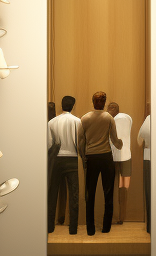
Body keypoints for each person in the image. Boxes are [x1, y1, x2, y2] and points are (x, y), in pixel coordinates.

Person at [78, 91, 123, 235]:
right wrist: (121, 144)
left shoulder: (84, 118)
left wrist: (83, 156)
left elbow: (80, 142)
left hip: (91, 157)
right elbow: (115, 140)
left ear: (93, 102)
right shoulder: (108, 118)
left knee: (90, 194)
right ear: (104, 102)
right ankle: (106, 227)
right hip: (105, 157)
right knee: (108, 193)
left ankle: (90, 229)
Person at [48, 95, 82, 234]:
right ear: (73, 106)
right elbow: (80, 142)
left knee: (52, 193)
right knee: (74, 194)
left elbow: (49, 144)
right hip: (72, 158)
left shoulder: (52, 122)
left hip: (56, 159)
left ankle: (50, 227)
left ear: (62, 105)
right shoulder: (77, 121)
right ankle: (73, 228)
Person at [107, 101, 133, 225]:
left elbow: (115, 139)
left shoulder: (113, 120)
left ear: (113, 109)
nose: (107, 111)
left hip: (114, 159)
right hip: (127, 158)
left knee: (113, 187)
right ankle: (122, 216)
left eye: (109, 109)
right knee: (124, 187)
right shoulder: (128, 118)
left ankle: (115, 216)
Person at [137, 104, 151, 233]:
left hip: (148, 158)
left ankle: (150, 227)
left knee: (149, 194)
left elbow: (139, 141)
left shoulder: (148, 121)